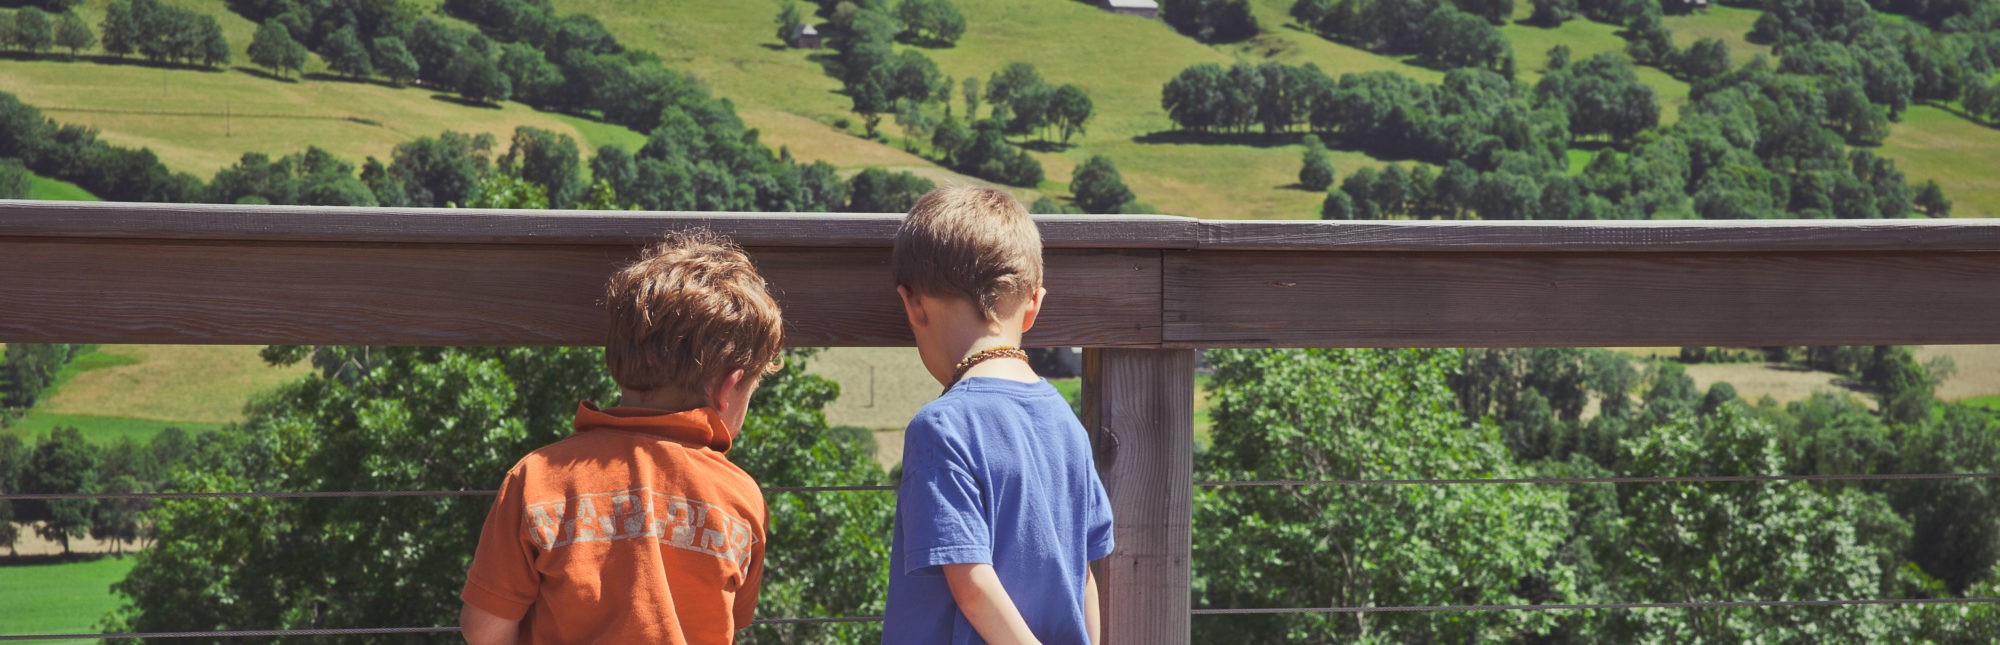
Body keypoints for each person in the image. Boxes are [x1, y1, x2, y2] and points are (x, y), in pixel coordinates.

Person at [459, 230, 783, 644]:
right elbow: (731, 621)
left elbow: (485, 631)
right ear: (728, 388)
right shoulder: (740, 496)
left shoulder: (537, 478)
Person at [882, 187, 1115, 644]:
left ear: (912, 305)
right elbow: (1083, 574)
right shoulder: (1067, 425)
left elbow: (972, 585)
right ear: (1033, 305)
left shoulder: (942, 428)